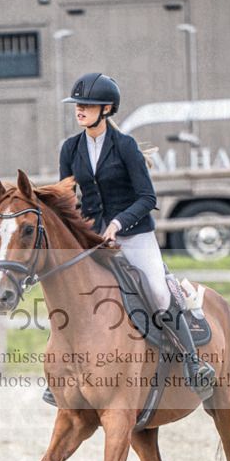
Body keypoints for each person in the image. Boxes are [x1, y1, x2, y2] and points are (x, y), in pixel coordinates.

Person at [45, 71, 215, 403]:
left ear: (106, 108)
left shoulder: (125, 146)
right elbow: (67, 197)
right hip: (92, 237)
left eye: (87, 105)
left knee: (158, 290)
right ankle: (63, 371)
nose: (79, 110)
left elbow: (147, 198)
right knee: (69, 293)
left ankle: (194, 363)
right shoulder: (70, 148)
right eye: (77, 104)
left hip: (134, 234)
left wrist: (119, 224)